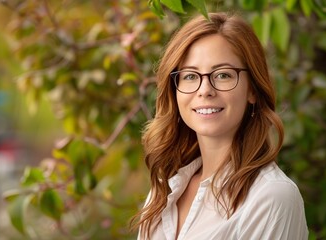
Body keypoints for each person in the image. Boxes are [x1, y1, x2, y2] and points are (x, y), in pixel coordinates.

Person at [132, 12, 308, 240]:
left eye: (223, 75)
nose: (205, 89)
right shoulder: (165, 191)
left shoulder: (272, 197)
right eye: (190, 76)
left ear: (252, 89)